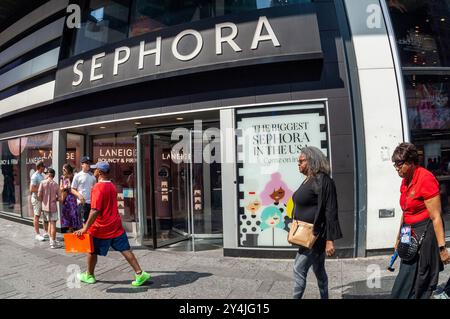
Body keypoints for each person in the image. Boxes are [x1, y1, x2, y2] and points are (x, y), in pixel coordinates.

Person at [74, 161, 151, 286]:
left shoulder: (98, 187)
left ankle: (89, 275)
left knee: (91, 250)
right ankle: (139, 273)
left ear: (99, 172)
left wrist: (85, 228)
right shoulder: (112, 185)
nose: (93, 171)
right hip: (115, 225)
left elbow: (95, 210)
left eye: (95, 170)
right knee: (125, 249)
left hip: (101, 227)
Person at [390, 142, 450, 299]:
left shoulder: (425, 179)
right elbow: (406, 211)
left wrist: (442, 248)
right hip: (409, 231)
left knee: (421, 276)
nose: (396, 168)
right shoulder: (405, 180)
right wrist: (398, 239)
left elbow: (436, 216)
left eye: (399, 164)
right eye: (394, 164)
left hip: (426, 232)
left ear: (411, 162)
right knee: (406, 273)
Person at [292, 146, 343, 299]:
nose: (298, 164)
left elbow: (330, 210)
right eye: (298, 161)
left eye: (301, 161)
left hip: (314, 236)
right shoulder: (308, 179)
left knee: (298, 269)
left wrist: (329, 240)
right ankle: (324, 296)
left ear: (312, 160)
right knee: (319, 270)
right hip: (307, 234)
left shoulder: (323, 180)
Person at [38, 168, 62, 249]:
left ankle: (51, 240)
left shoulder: (42, 183)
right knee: (53, 224)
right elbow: (60, 198)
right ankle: (53, 242)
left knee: (48, 223)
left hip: (45, 207)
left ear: (48, 174)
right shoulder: (56, 184)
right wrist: (55, 199)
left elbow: (39, 195)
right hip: (53, 207)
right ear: (54, 175)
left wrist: (43, 201)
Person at [71, 156, 96, 225]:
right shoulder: (77, 176)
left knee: (90, 224)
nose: (88, 165)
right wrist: (79, 196)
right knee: (83, 224)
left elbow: (95, 189)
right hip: (82, 204)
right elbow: (72, 189)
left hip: (91, 204)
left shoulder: (92, 176)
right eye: (86, 163)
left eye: (89, 163)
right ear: (82, 164)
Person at [60, 164, 82, 232]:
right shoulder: (62, 177)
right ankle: (70, 229)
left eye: (64, 169)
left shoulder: (73, 176)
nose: (63, 171)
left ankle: (77, 229)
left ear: (68, 169)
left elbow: (72, 187)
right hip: (65, 197)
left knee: (73, 213)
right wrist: (64, 188)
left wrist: (66, 187)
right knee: (67, 213)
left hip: (72, 197)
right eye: (62, 169)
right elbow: (61, 187)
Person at [30, 161, 49, 241]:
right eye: (43, 166)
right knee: (37, 216)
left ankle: (45, 232)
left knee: (44, 216)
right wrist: (41, 189)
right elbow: (31, 189)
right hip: (37, 199)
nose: (44, 168)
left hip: (41, 199)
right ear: (39, 167)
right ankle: (37, 234)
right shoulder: (34, 176)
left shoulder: (41, 175)